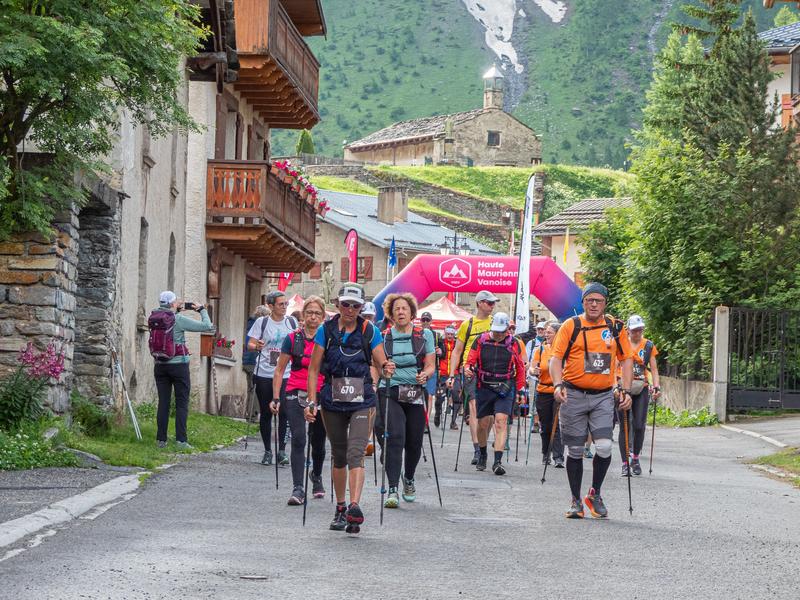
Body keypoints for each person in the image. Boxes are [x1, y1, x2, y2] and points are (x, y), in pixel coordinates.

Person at [306, 282, 394, 534]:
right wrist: (311, 401)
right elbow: (314, 369)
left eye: (356, 305)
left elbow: (381, 360)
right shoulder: (326, 330)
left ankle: (354, 506)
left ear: (361, 307)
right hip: (332, 399)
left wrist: (387, 367)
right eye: (346, 304)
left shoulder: (370, 331)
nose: (350, 309)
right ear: (337, 304)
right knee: (339, 454)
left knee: (356, 451)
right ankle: (341, 508)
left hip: (362, 399)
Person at [549, 282, 634, 519]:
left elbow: (626, 359)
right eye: (589, 300)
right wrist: (557, 385)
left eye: (598, 300)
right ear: (583, 302)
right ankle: (576, 500)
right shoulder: (571, 326)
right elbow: (555, 359)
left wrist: (625, 390)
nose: (593, 304)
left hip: (604, 396)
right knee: (575, 449)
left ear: (605, 303)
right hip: (573, 394)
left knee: (605, 446)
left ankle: (594, 494)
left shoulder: (615, 327)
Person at [375, 294, 436, 507]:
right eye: (397, 309)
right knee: (395, 437)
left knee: (414, 442)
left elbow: (430, 364)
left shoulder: (424, 335)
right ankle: (392, 488)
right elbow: (375, 365)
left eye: (404, 309)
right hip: (390, 390)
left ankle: (408, 478)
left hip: (415, 391)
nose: (401, 312)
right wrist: (384, 370)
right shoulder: (382, 336)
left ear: (412, 313)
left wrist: (425, 375)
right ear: (391, 314)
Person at [271, 296, 328, 505]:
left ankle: (317, 475)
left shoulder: (328, 338)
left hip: (321, 392)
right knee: (298, 438)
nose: (313, 317)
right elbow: (279, 370)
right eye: (309, 312)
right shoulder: (292, 338)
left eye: (317, 313)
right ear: (303, 315)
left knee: (319, 442)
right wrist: (276, 397)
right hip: (295, 392)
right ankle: (298, 488)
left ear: (323, 317)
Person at [463, 312, 526, 475]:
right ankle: (482, 453)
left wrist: (520, 389)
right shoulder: (481, 340)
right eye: (495, 331)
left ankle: (497, 461)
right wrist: (468, 370)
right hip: (484, 385)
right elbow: (469, 361)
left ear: (507, 329)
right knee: (483, 424)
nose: (498, 334)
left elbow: (520, 368)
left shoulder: (514, 343)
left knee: (501, 421)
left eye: (501, 331)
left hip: (505, 386)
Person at [151, 291, 214, 449]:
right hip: (178, 366)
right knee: (181, 403)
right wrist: (201, 310)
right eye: (177, 301)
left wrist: (176, 310)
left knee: (163, 403)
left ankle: (161, 440)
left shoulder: (154, 317)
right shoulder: (178, 319)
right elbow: (207, 326)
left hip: (160, 365)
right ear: (172, 304)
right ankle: (181, 440)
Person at [247, 291, 299, 466]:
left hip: (286, 373)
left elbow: (298, 341)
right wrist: (257, 346)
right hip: (264, 372)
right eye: (280, 304)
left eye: (285, 304)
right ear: (270, 306)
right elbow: (250, 344)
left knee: (285, 411)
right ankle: (268, 451)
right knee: (266, 412)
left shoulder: (291, 322)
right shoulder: (262, 323)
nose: (284, 307)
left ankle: (282, 451)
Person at [447, 290, 498, 466]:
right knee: (474, 407)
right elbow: (457, 351)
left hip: (491, 371)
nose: (492, 306)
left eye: (493, 303)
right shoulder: (467, 325)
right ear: (479, 303)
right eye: (489, 302)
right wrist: (452, 374)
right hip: (471, 371)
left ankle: (483, 441)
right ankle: (477, 449)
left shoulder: (495, 323)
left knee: (489, 415)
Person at [618, 314, 661, 477]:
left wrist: (656, 386)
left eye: (640, 330)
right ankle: (624, 463)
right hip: (623, 388)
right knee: (624, 426)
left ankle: (635, 458)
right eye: (635, 330)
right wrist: (616, 386)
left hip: (641, 388)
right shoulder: (621, 344)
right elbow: (615, 366)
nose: (638, 333)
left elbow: (654, 369)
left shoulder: (648, 345)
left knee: (639, 425)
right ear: (628, 330)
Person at [531, 321, 565, 467]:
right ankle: (546, 453)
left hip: (558, 391)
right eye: (546, 332)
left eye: (549, 332)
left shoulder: (565, 350)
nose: (546, 334)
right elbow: (532, 368)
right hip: (543, 390)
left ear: (558, 334)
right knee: (545, 425)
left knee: (557, 424)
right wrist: (534, 371)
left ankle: (558, 457)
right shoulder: (541, 350)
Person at [419, 311, 441, 426]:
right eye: (424, 320)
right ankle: (420, 418)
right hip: (420, 367)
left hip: (432, 368)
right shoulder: (417, 333)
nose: (426, 322)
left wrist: (440, 351)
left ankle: (426, 422)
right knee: (419, 394)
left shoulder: (436, 335)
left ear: (431, 321)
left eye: (428, 320)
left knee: (430, 394)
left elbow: (444, 353)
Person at [437, 324, 460, 430]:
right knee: (439, 398)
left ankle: (453, 421)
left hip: (455, 374)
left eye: (451, 334)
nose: (450, 336)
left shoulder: (457, 344)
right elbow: (436, 354)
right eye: (448, 334)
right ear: (445, 334)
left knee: (456, 396)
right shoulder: (440, 343)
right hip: (443, 374)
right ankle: (438, 413)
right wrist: (438, 352)